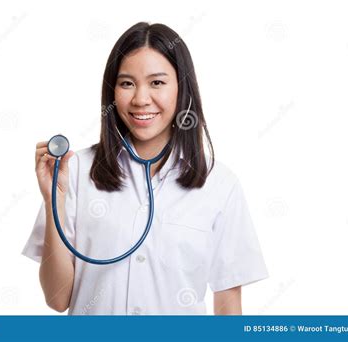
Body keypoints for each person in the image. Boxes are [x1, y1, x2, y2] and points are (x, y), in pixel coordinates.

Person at [22, 22, 268, 315]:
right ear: (112, 92)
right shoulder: (74, 172)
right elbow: (57, 299)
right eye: (127, 83)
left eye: (157, 83)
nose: (140, 99)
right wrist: (54, 202)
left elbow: (228, 307)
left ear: (182, 88)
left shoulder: (219, 184)